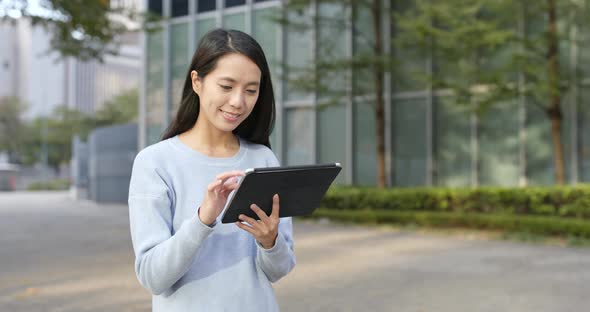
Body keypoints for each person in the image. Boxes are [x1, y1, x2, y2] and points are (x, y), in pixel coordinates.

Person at [128, 28, 296, 311]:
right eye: (227, 86)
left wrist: (271, 242)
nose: (238, 102)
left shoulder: (263, 159)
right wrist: (202, 220)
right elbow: (153, 277)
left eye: (251, 90)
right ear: (197, 81)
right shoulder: (155, 162)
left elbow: (279, 270)